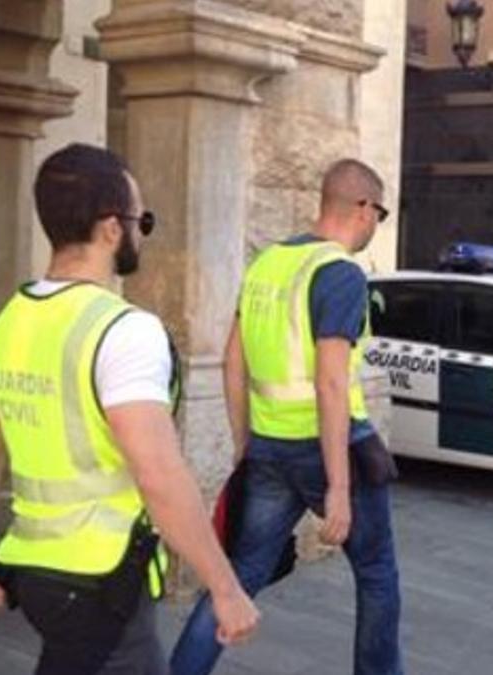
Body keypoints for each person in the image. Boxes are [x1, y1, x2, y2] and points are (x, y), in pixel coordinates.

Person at [0, 144, 259, 673]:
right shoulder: (124, 330)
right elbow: (159, 473)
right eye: (142, 219)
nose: (142, 231)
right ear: (112, 229)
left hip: (33, 568)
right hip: (102, 575)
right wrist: (225, 586)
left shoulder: (11, 320)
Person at [171, 159, 403, 675]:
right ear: (363, 208)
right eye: (379, 213)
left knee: (238, 577)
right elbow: (331, 382)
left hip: (269, 446)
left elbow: (234, 360)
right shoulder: (339, 273)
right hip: (333, 449)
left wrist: (242, 442)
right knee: (377, 575)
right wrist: (338, 488)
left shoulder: (267, 264)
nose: (375, 224)